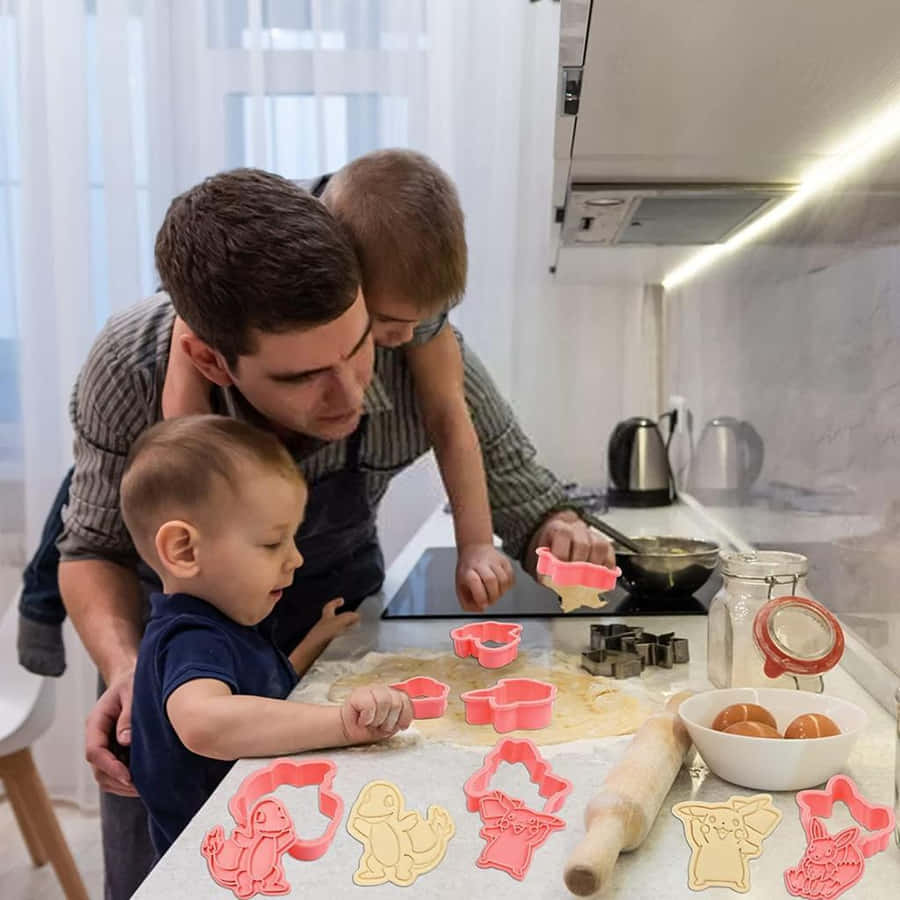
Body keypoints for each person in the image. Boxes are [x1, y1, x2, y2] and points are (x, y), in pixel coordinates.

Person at [24, 167, 613, 898]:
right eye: (304, 377)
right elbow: (91, 550)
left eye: (361, 348)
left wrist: (559, 528)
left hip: (334, 653)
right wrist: (127, 669)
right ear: (210, 361)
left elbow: (517, 483)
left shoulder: (408, 334)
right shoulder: (133, 365)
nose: (353, 391)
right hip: (176, 662)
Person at [163, 150, 514, 613]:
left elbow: (449, 415)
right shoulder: (220, 286)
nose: (406, 337)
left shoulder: (407, 293)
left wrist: (476, 544)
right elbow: (186, 438)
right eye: (385, 322)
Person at [122, 415, 412, 856]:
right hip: (219, 864)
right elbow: (206, 723)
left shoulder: (223, 624)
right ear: (184, 549)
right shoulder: (190, 637)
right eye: (273, 543)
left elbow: (257, 695)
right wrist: (344, 725)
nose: (295, 559)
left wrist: (315, 641)